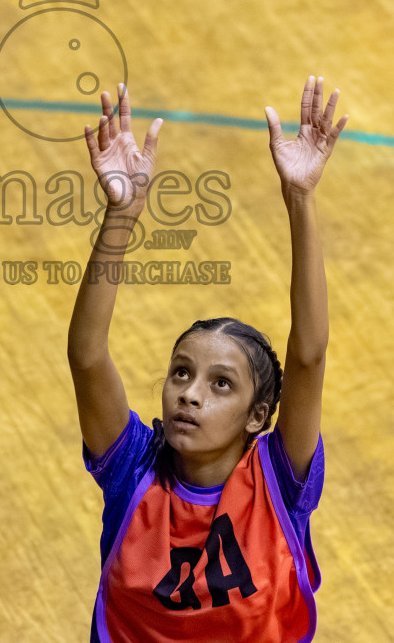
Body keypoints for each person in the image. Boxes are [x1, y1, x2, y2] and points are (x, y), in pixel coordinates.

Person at [69, 77, 347, 643]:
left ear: (257, 415)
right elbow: (87, 354)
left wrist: (300, 199)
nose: (190, 393)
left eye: (222, 384)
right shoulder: (133, 472)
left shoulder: (275, 479)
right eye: (181, 373)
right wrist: (122, 214)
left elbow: (310, 354)